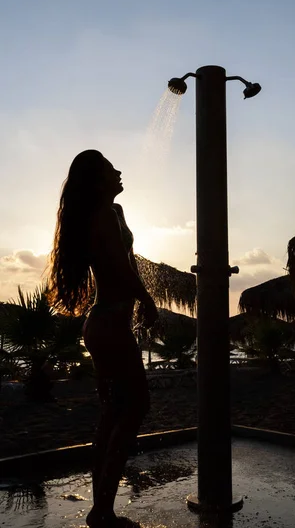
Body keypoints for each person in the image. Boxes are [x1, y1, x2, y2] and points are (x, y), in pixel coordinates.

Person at [47, 149, 158, 528]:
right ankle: (103, 510)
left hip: (104, 324)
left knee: (113, 413)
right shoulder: (105, 216)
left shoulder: (112, 213)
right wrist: (148, 301)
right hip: (110, 324)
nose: (120, 171)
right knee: (136, 406)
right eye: (112, 169)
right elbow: (120, 267)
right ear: (98, 180)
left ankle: (102, 510)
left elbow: (125, 262)